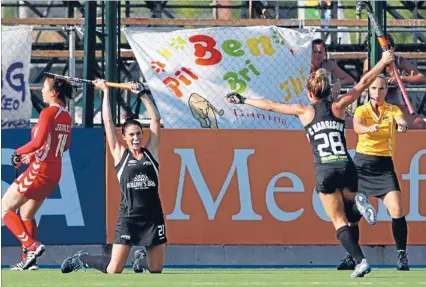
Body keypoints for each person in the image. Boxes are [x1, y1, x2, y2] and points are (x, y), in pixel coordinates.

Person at [226, 50, 395, 278]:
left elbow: (270, 105)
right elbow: (364, 83)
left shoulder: (304, 112)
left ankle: (360, 261)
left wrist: (243, 99)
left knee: (338, 220)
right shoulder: (338, 107)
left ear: (309, 93)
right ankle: (359, 207)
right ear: (328, 92)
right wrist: (383, 62)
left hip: (325, 169)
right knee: (352, 216)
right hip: (346, 165)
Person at [60, 79, 166, 274]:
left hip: (153, 217)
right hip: (129, 217)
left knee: (156, 270)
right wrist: (105, 91)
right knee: (113, 270)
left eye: (138, 134)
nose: (136, 138)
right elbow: (108, 122)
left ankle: (140, 261)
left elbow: (156, 120)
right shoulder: (119, 153)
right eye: (131, 135)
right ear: (124, 137)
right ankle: (82, 258)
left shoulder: (151, 152)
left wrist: (142, 94)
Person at [336, 74, 410, 271]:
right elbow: (357, 127)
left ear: (387, 91)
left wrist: (402, 125)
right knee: (352, 216)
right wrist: (369, 128)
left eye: (382, 89)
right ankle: (352, 257)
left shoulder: (393, 110)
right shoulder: (362, 109)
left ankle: (402, 256)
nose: (378, 93)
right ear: (369, 90)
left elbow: (401, 120)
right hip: (361, 165)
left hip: (384, 167)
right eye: (374, 89)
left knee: (397, 210)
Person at [2, 76, 73, 271]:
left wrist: (18, 152)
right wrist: (33, 155)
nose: (41, 91)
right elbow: (64, 145)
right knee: (26, 213)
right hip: (53, 173)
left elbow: (38, 141)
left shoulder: (48, 113)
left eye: (44, 88)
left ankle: (32, 246)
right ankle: (29, 261)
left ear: (53, 93)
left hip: (39, 171)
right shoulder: (66, 115)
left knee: (5, 208)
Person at [363, 34, 426, 129]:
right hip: (374, 103)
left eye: (386, 47)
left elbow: (421, 78)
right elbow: (364, 81)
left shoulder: (398, 60)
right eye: (381, 48)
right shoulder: (370, 61)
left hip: (396, 103)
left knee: (420, 124)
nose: (384, 50)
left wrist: (402, 78)